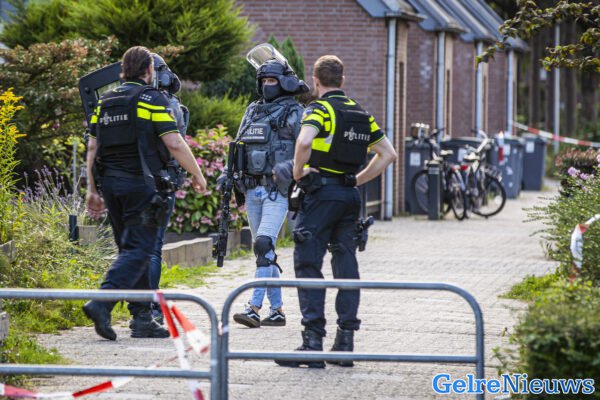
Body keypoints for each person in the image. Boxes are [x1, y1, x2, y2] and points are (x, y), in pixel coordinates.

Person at [275, 55, 397, 368]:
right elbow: (388, 154)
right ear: (342, 80)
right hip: (349, 197)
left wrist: (298, 173)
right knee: (346, 265)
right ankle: (345, 342)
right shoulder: (361, 113)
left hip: (320, 196)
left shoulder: (320, 110)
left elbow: (304, 141)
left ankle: (312, 342)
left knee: (308, 264)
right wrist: (356, 180)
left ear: (315, 81)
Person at [83, 46, 207, 340]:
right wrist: (197, 173)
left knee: (129, 251)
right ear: (149, 70)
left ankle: (141, 319)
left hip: (111, 187)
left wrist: (92, 189)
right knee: (140, 250)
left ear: (122, 70)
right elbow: (174, 142)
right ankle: (102, 303)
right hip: (142, 185)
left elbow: (92, 147)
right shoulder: (152, 99)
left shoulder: (105, 101)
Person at [227, 45, 308, 328]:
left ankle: (253, 308)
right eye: (263, 81)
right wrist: (229, 176)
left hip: (278, 192)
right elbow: (238, 145)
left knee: (263, 243)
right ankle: (277, 311)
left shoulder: (296, 112)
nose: (266, 85)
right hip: (252, 190)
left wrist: (290, 170)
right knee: (264, 250)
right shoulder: (252, 111)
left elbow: (307, 151)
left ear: (284, 82)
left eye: (271, 80)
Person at [147, 53, 189, 325]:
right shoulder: (169, 105)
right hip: (160, 183)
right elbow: (176, 145)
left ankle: (138, 306)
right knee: (153, 247)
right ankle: (150, 307)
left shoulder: (123, 100)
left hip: (128, 182)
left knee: (133, 247)